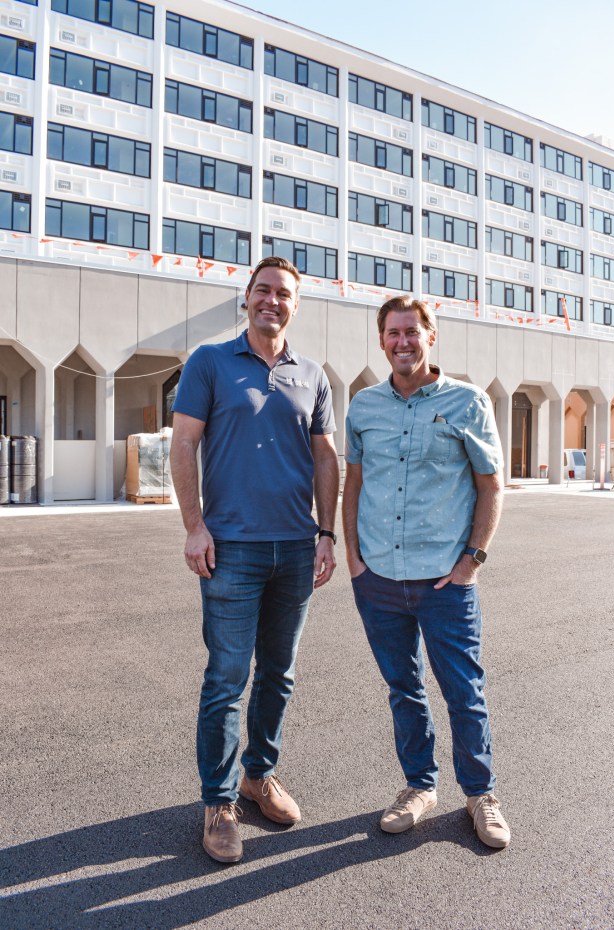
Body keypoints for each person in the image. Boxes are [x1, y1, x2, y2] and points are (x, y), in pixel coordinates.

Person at [170, 256, 339, 864]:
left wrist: (326, 533)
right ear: (247, 298)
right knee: (226, 678)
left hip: (296, 549)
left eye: (284, 294)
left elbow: (325, 458)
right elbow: (184, 443)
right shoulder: (210, 363)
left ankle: (257, 776)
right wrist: (194, 526)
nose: (273, 301)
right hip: (231, 549)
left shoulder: (312, 374)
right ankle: (218, 801)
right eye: (263, 291)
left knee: (280, 674)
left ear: (295, 304)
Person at [342, 295, 510, 849]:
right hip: (380, 581)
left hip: (445, 581)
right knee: (404, 689)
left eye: (412, 331)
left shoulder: (468, 402)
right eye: (392, 333)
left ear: (430, 336)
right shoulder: (364, 405)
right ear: (382, 339)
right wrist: (354, 559)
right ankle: (419, 787)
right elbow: (354, 483)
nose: (402, 342)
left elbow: (490, 485)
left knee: (464, 690)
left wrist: (471, 562)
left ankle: (480, 794)